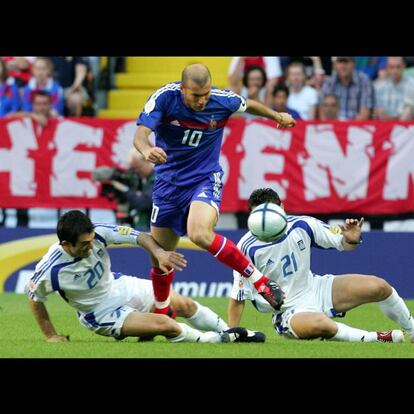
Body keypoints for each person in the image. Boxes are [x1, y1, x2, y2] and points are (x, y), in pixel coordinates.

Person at [133, 63, 295, 319]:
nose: (203, 100)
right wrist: (145, 150)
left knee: (199, 233)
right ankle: (163, 311)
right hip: (168, 185)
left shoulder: (222, 100)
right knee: (160, 257)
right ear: (183, 88)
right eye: (196, 95)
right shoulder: (164, 98)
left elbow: (248, 104)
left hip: (204, 178)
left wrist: (275, 115)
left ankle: (260, 280)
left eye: (206, 93)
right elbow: (140, 134)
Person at [26, 210, 250, 344]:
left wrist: (159, 253)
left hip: (120, 286)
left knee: (184, 304)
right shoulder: (51, 268)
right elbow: (34, 297)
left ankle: (231, 332)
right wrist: (51, 335)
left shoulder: (99, 233)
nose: (91, 245)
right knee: (166, 323)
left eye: (92, 239)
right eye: (84, 244)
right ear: (66, 244)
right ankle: (214, 341)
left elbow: (139, 236)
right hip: (100, 313)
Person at [228, 188, 414, 343]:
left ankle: (412, 332)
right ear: (251, 216)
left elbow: (342, 243)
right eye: (258, 215)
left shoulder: (303, 224)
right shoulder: (246, 247)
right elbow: (238, 295)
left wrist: (351, 239)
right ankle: (378, 338)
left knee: (380, 287)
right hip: (287, 312)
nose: (265, 220)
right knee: (322, 325)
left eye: (270, 213)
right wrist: (233, 332)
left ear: (282, 208)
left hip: (316, 288)